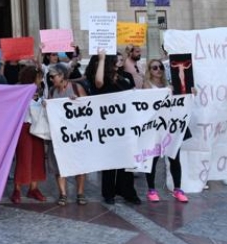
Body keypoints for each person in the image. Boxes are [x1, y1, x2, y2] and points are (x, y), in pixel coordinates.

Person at [89, 49, 141, 205]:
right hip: (109, 125)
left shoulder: (126, 76)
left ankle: (127, 191)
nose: (120, 61)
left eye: (120, 59)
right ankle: (109, 193)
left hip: (125, 123)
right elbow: (98, 83)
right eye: (116, 59)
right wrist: (102, 59)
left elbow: (133, 95)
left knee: (127, 159)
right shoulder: (103, 78)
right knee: (110, 159)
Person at [142, 58, 188, 203]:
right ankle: (151, 190)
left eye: (160, 67)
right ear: (149, 71)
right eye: (154, 68)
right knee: (153, 158)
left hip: (170, 127)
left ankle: (178, 189)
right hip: (155, 128)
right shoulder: (147, 85)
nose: (158, 70)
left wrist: (190, 92)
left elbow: (182, 99)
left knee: (174, 157)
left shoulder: (169, 85)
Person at [46, 62, 87, 205]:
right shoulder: (52, 91)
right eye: (50, 77)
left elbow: (88, 106)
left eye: (53, 76)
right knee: (59, 165)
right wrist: (46, 105)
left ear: (62, 75)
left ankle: (80, 193)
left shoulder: (76, 87)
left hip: (76, 135)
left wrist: (78, 102)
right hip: (58, 135)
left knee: (79, 164)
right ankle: (62, 194)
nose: (51, 79)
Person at [11, 65, 47, 203]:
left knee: (38, 158)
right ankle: (17, 189)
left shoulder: (42, 90)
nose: (41, 80)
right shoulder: (19, 89)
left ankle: (33, 188)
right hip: (23, 126)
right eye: (39, 77)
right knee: (23, 158)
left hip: (38, 126)